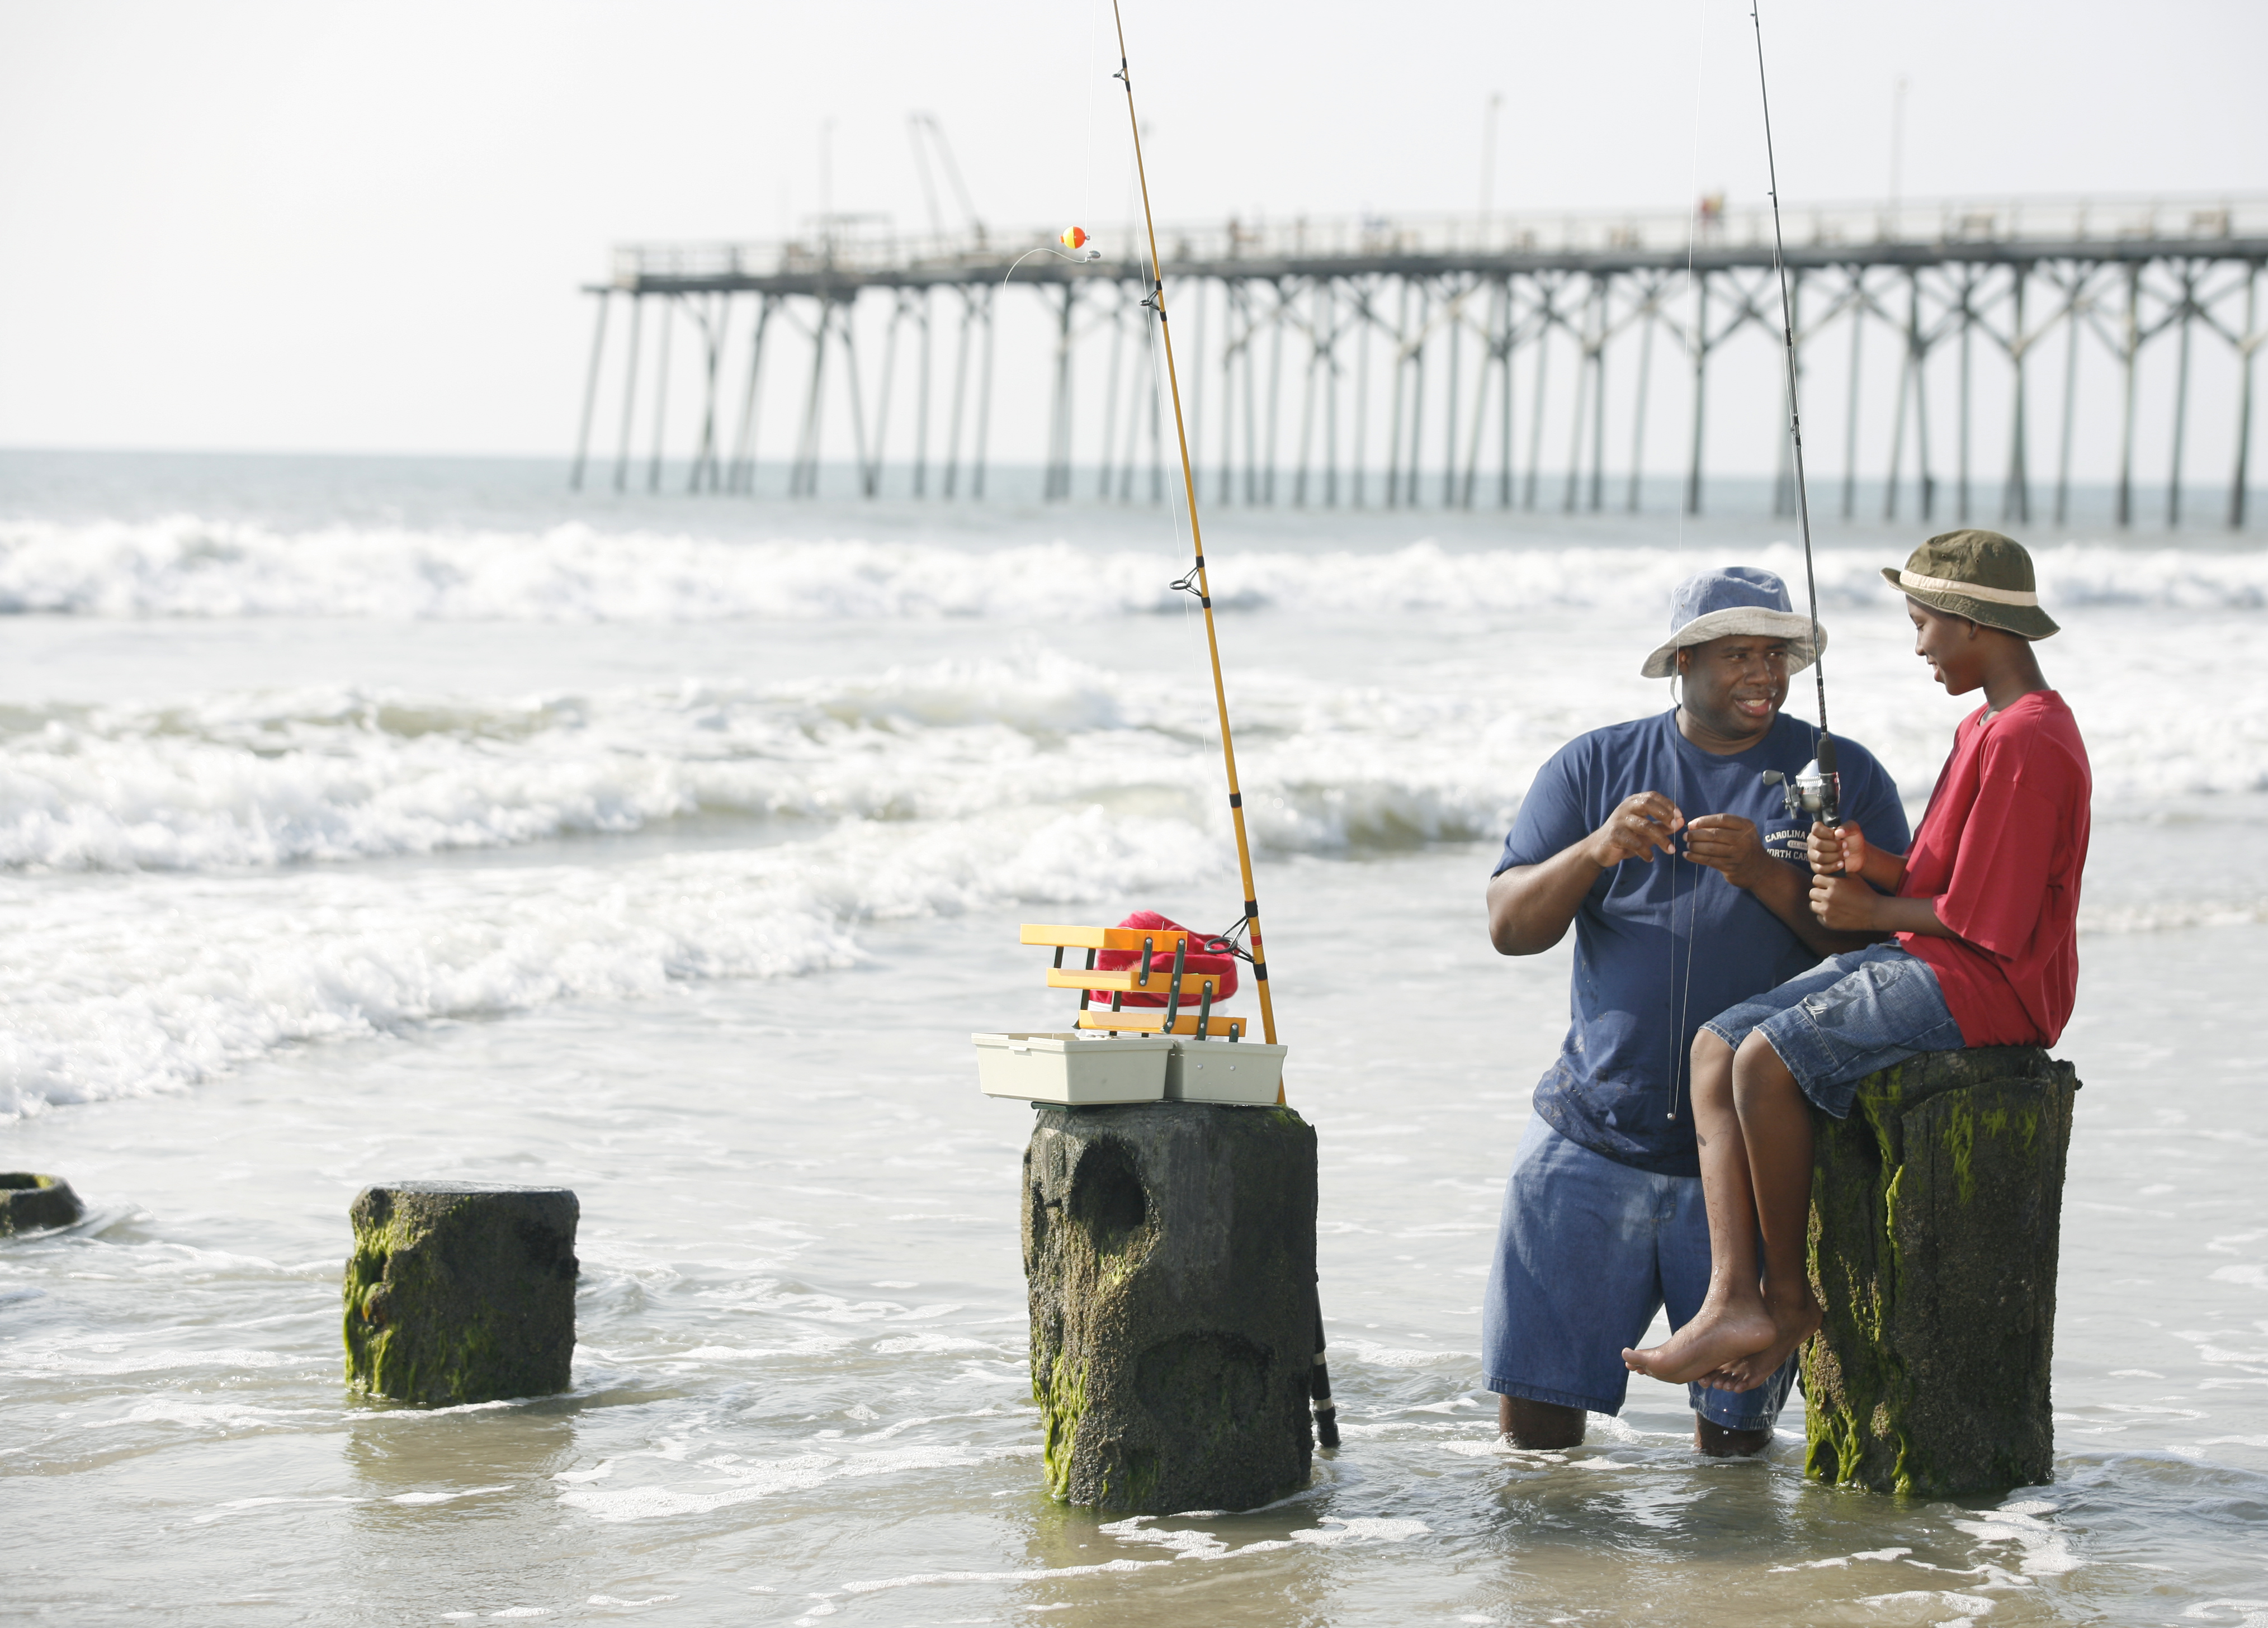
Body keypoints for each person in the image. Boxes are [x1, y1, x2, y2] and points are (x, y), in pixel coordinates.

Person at [1624, 531, 2090, 1392]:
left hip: (1991, 991)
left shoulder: (2028, 739)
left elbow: (1997, 924)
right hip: (1942, 961)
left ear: (1970, 622)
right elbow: (1946, 879)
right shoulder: (1983, 725)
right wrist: (1872, 863)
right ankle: (1733, 1295)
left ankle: (1789, 1299)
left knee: (1767, 1062)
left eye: (1924, 625)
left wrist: (1873, 911)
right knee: (1716, 1048)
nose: (1918, 645)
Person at [1483, 566, 1908, 1455]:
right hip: (1586, 1142)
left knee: (1735, 1459)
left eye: (1776, 655)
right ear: (1682, 660)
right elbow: (1511, 929)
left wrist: (1763, 871)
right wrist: (1595, 850)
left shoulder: (1842, 771)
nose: (1763, 673)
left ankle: (1734, 1600)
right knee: (1535, 1448)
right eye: (1736, 654)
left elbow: (1875, 959)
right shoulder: (1594, 764)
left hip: (1758, 1172)